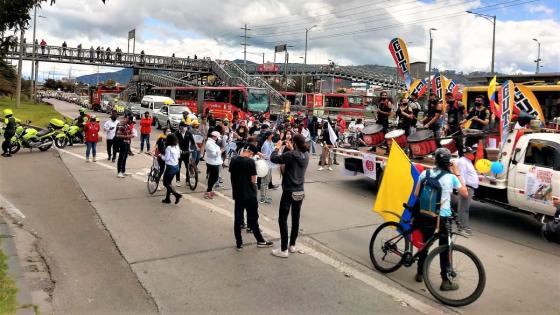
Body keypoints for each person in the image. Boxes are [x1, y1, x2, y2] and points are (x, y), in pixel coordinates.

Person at [413, 148, 468, 290]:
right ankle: (445, 280)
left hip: (426, 214)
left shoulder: (425, 173)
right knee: (444, 248)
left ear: (435, 160)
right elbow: (465, 193)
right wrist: (456, 171)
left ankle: (420, 273)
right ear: (448, 162)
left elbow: (416, 193)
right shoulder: (451, 177)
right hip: (442, 218)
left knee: (425, 244)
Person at [270, 134, 310, 258]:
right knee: (295, 218)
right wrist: (292, 147)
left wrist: (277, 147)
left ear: (295, 143)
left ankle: (283, 250)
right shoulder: (306, 154)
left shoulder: (291, 155)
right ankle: (292, 245)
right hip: (300, 191)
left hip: (289, 191)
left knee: (282, 219)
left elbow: (274, 158)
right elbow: (296, 156)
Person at [230, 144, 274, 250]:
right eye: (252, 154)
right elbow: (253, 180)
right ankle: (260, 240)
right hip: (249, 194)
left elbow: (233, 175)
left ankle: (239, 243)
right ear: (250, 152)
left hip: (238, 193)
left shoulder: (233, 159)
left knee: (238, 218)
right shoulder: (250, 162)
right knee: (253, 218)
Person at [455, 147, 479, 235]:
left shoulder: (467, 161)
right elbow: (461, 176)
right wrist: (463, 188)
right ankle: (463, 228)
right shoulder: (463, 162)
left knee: (463, 208)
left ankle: (461, 227)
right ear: (465, 154)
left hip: (469, 187)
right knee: (463, 209)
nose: (473, 154)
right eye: (471, 153)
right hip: (467, 188)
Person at [161, 133, 183, 204]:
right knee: (169, 183)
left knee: (165, 183)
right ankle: (167, 199)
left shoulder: (169, 148)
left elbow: (166, 159)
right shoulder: (177, 146)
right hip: (176, 166)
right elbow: (179, 156)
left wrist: (161, 156)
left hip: (170, 167)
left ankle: (176, 195)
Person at [175, 122, 195, 187]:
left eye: (184, 127)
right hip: (179, 153)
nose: (183, 128)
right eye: (181, 127)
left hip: (186, 153)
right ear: (179, 127)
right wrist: (178, 149)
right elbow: (174, 143)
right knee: (178, 167)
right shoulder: (176, 133)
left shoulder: (188, 133)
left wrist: (191, 150)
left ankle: (187, 180)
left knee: (187, 167)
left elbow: (192, 142)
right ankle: (178, 180)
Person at [204, 131, 223, 199]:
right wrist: (221, 151)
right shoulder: (210, 144)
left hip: (214, 162)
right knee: (214, 178)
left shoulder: (212, 143)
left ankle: (210, 190)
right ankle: (208, 191)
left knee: (213, 177)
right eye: (217, 137)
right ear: (214, 137)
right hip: (212, 163)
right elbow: (213, 155)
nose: (218, 139)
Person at [260, 131, 275, 204]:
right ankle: (263, 198)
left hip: (270, 164)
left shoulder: (270, 142)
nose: (273, 135)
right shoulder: (266, 144)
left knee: (267, 181)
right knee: (264, 181)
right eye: (271, 134)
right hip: (266, 165)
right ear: (268, 136)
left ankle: (265, 196)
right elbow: (265, 156)